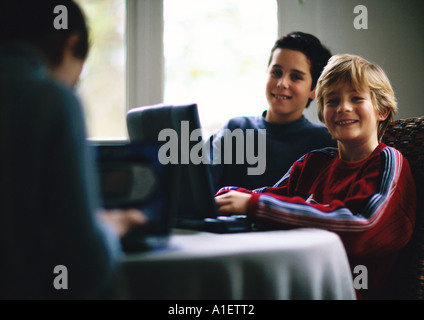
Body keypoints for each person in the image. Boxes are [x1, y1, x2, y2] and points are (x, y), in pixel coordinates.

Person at [215, 54, 417, 300]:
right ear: (323, 113)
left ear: (382, 110)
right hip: (291, 281)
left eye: (356, 98)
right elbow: (270, 195)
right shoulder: (313, 162)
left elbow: (363, 226)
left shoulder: (388, 162)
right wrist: (225, 196)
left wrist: (254, 206)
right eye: (332, 100)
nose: (343, 107)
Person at [0, 0, 145, 299]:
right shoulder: (52, 102)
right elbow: (80, 263)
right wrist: (111, 228)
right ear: (70, 44)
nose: (76, 83)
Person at [207, 32, 336, 192]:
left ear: (314, 90)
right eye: (276, 72)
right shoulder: (235, 128)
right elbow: (201, 186)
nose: (282, 83)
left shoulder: (325, 141)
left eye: (295, 77)